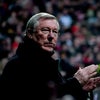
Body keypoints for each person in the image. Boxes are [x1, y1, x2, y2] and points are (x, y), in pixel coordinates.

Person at [0, 12, 100, 100]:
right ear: (30, 33)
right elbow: (41, 95)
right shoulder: (17, 65)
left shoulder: (49, 64)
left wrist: (80, 89)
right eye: (45, 30)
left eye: (55, 32)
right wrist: (76, 82)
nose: (51, 36)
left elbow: (59, 92)